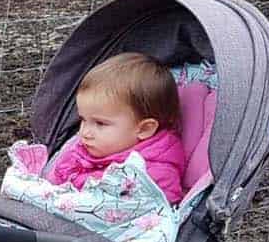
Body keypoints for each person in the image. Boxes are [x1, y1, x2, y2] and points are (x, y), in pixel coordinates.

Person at [46, 52, 187, 205]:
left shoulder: (154, 174)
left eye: (100, 123)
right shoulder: (82, 149)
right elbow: (55, 178)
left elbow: (156, 211)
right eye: (83, 120)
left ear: (144, 129)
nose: (84, 133)